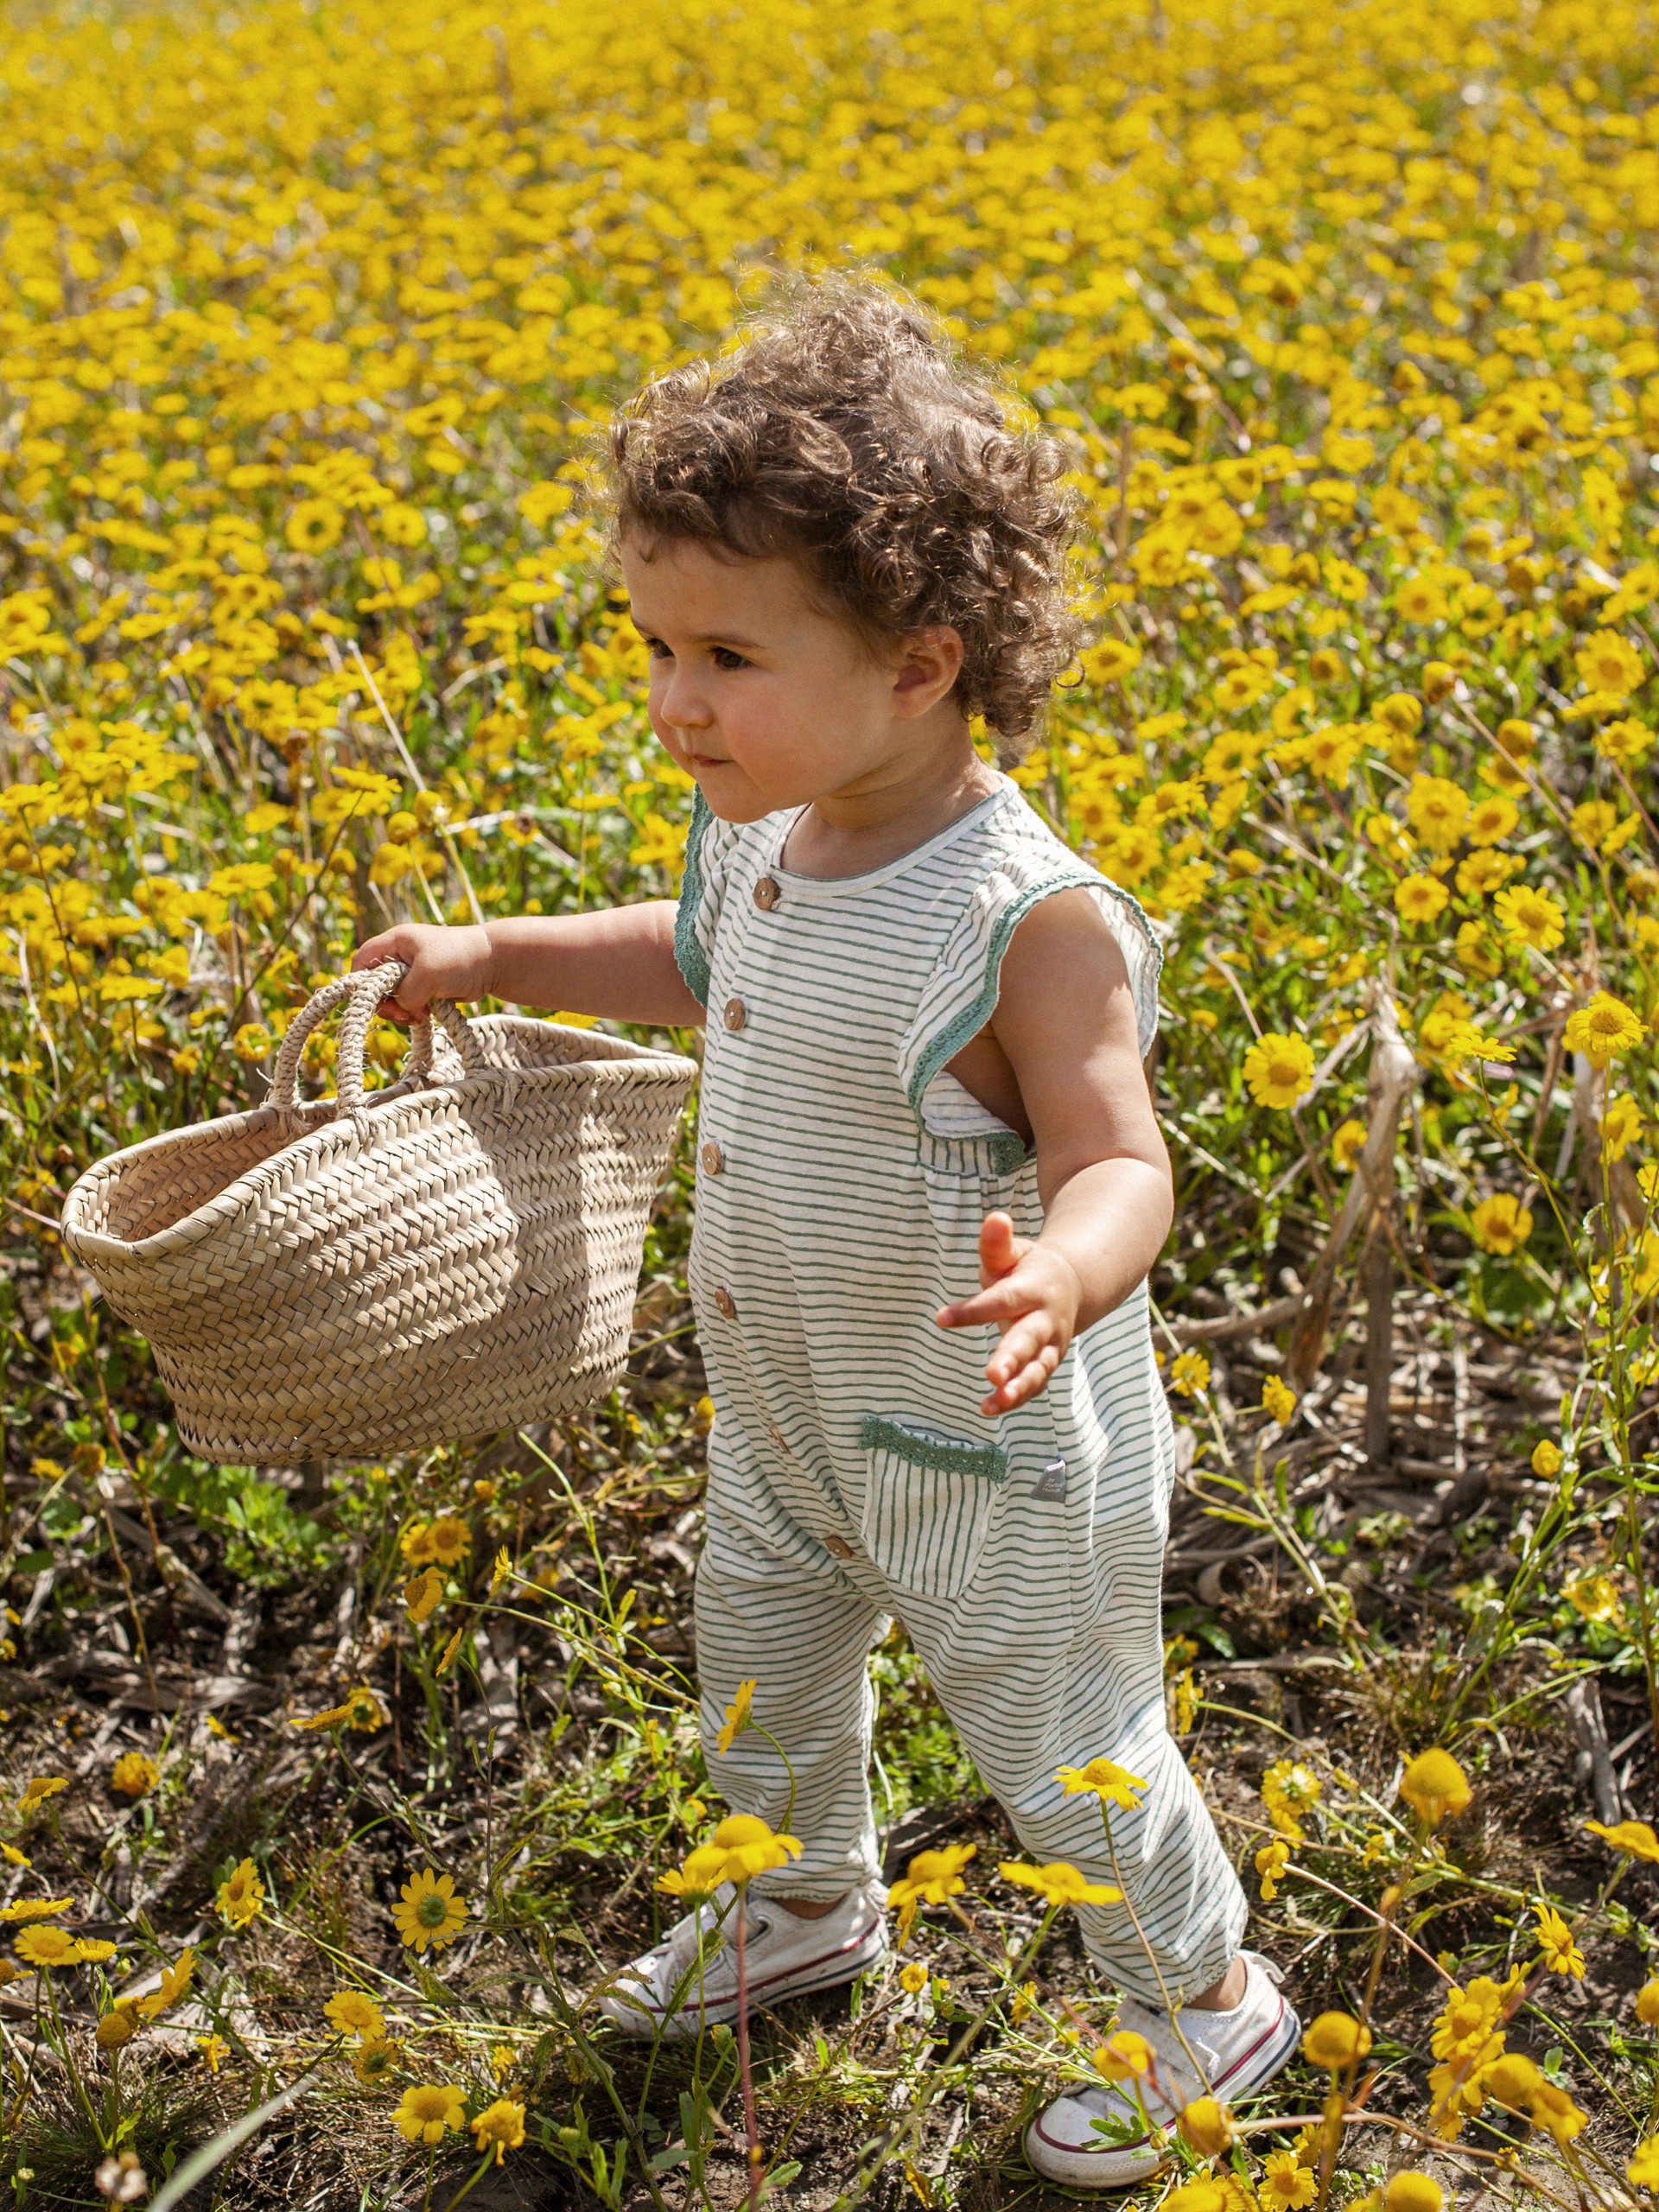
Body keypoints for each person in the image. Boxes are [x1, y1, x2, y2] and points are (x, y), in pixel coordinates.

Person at [353, 282, 1298, 2188]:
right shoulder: (763, 831)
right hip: (787, 1382)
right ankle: (797, 1901)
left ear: (925, 658)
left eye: (725, 653)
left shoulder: (1029, 918)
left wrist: (1068, 1267)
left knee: (1062, 1725)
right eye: (655, 645)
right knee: (760, 1655)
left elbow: (1126, 1154)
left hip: (990, 1424)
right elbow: (696, 960)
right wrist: (489, 955)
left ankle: (1200, 1993)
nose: (673, 700)